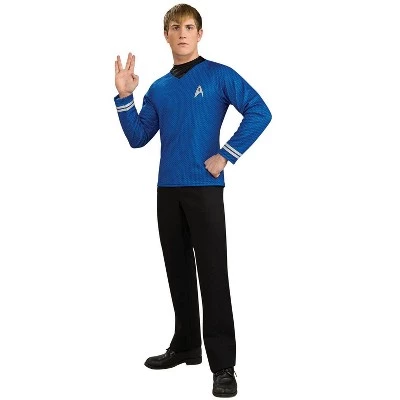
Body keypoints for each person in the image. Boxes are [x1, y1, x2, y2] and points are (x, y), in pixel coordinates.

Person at [113, 3, 272, 397]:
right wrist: (125, 97)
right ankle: (186, 346)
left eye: (188, 27)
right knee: (178, 270)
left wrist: (227, 154)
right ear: (166, 35)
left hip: (204, 188)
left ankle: (224, 366)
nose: (182, 33)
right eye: (174, 27)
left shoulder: (219, 75)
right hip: (167, 190)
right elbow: (138, 137)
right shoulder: (158, 88)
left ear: (199, 34)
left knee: (213, 273)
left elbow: (259, 111)